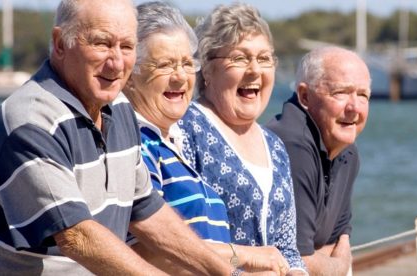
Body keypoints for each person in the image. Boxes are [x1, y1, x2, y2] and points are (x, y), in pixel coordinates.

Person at [0, 0, 247, 275]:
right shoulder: (30, 119)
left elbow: (146, 209)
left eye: (126, 47)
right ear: (61, 43)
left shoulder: (119, 107)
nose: (116, 63)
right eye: (101, 43)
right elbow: (78, 237)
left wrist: (228, 273)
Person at [123, 2, 287, 274]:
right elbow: (149, 250)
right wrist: (247, 257)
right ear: (130, 75)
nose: (179, 76)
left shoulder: (173, 143)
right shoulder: (136, 145)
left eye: (187, 63)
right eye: (165, 65)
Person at [177, 3, 307, 275]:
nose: (254, 70)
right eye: (239, 58)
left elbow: (287, 248)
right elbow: (177, 244)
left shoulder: (275, 146)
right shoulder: (185, 130)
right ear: (207, 69)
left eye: (264, 58)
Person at [266, 46, 372, 276]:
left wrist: (322, 259)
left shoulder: (346, 151)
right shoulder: (291, 144)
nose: (354, 108)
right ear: (305, 96)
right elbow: (296, 261)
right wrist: (339, 266)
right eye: (340, 93)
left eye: (363, 95)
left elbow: (338, 239)